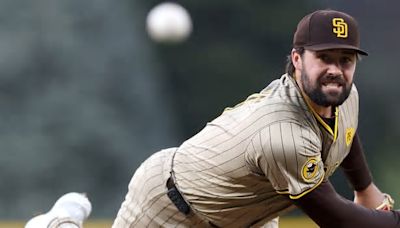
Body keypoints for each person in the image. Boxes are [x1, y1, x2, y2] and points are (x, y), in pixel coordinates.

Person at [112, 9, 400, 227]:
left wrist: (365, 189)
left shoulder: (344, 95)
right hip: (170, 207)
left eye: (346, 60)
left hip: (247, 216)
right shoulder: (284, 133)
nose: (336, 70)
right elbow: (335, 218)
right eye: (325, 58)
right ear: (297, 60)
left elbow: (345, 131)